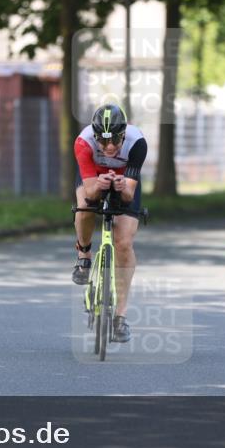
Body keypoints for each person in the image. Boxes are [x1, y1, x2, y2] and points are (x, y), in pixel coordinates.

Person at [71, 104, 147, 343]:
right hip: (93, 176)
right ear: (95, 137)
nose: (110, 147)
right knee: (84, 207)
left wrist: (122, 186)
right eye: (103, 143)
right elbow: (91, 194)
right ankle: (84, 254)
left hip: (125, 179)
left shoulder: (137, 143)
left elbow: (128, 196)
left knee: (123, 243)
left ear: (124, 134)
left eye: (115, 140)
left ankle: (120, 317)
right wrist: (98, 185)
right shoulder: (83, 143)